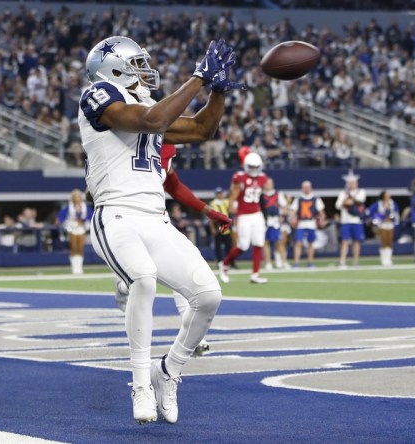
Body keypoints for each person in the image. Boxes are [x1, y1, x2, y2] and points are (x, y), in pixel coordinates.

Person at [79, 36, 242, 424]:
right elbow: (151, 122)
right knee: (144, 280)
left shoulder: (151, 106)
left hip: (156, 218)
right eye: (137, 63)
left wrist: (218, 90)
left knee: (208, 295)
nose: (144, 69)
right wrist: (200, 77)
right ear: (113, 66)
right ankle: (139, 383)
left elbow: (203, 129)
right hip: (115, 214)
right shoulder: (97, 95)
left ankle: (167, 371)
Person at [113, 143, 232, 358]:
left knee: (184, 276)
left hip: (157, 219)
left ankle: (194, 340)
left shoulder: (164, 144)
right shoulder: (125, 133)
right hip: (125, 220)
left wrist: (208, 211)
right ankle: (124, 285)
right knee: (144, 278)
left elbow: (174, 185)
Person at [219, 152, 269, 284]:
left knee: (259, 243)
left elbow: (261, 198)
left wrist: (265, 214)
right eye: (251, 167)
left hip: (257, 214)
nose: (254, 169)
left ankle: (255, 274)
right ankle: (225, 264)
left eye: (256, 167)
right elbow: (233, 196)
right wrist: (230, 210)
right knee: (243, 245)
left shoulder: (263, 177)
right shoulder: (239, 177)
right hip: (243, 215)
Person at [289, 180, 325, 268]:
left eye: (308, 187)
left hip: (311, 223)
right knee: (298, 243)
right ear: (302, 188)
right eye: (305, 187)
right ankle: (296, 263)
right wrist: (291, 219)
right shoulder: (299, 199)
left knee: (311, 243)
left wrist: (322, 220)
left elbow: (321, 212)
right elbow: (293, 211)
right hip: (301, 223)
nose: (306, 189)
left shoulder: (316, 198)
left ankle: (310, 262)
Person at [57, 189, 93, 274]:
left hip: (82, 228)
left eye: (78, 196)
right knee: (74, 248)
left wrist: (84, 220)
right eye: (75, 196)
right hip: (72, 228)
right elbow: (61, 216)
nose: (77, 198)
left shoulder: (85, 206)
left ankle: (79, 267)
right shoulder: (69, 206)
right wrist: (67, 223)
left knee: (80, 248)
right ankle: (74, 267)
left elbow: (91, 215)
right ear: (73, 197)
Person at [335, 172, 366, 268]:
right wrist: (346, 201)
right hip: (346, 221)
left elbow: (359, 200)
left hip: (356, 220)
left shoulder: (361, 191)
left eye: (354, 183)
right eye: (350, 183)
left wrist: (350, 200)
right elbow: (338, 205)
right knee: (345, 241)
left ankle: (355, 261)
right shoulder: (343, 193)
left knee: (356, 241)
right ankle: (342, 261)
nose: (352, 185)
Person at [260, 177, 289, 270]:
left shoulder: (278, 194)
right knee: (266, 242)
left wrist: (282, 216)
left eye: (270, 183)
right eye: (267, 183)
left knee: (279, 241)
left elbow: (284, 206)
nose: (269, 185)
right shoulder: (261, 195)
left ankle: (284, 261)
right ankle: (268, 263)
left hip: (275, 220)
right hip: (265, 220)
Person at [367, 190, 400, 266]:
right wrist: (378, 218)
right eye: (387, 194)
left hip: (390, 224)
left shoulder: (392, 203)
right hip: (382, 224)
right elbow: (370, 211)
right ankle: (383, 259)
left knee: (389, 242)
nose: (388, 195)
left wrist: (393, 219)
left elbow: (396, 213)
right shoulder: (379, 203)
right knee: (384, 242)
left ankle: (389, 259)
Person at [209, 187, 232, 266]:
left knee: (229, 246)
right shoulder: (213, 203)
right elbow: (210, 218)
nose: (220, 195)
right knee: (218, 247)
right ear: (216, 195)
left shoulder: (226, 202)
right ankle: (219, 262)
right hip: (217, 227)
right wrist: (212, 229)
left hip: (227, 228)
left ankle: (230, 262)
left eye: (221, 193)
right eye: (218, 194)